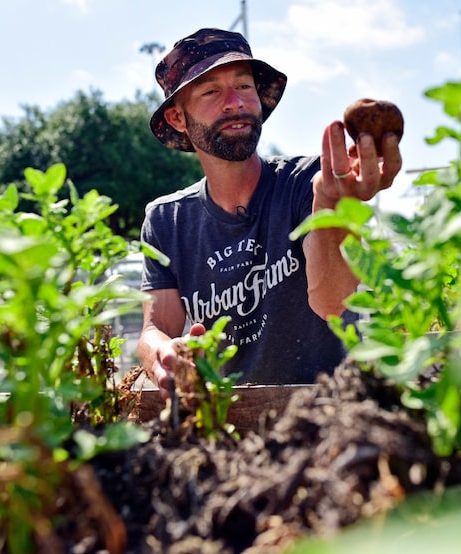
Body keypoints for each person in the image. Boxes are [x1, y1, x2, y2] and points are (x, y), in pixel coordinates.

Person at [138, 28, 402, 398]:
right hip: (232, 422)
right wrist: (161, 354)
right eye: (211, 91)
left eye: (244, 86)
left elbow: (333, 301)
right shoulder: (167, 221)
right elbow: (156, 327)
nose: (235, 102)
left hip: (332, 413)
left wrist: (329, 203)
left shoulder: (306, 183)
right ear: (178, 118)